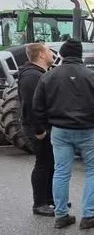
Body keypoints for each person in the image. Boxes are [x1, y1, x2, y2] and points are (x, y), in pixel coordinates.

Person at [32, 39, 94, 229]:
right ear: (80, 55)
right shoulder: (93, 76)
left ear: (62, 55)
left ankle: (61, 215)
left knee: (61, 172)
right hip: (88, 130)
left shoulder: (48, 76)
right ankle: (88, 215)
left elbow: (37, 106)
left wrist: (40, 129)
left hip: (60, 131)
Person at [18, 43, 56, 216]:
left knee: (50, 163)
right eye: (49, 51)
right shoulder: (32, 77)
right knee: (43, 163)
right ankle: (39, 203)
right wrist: (39, 129)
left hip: (43, 126)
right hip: (38, 129)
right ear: (41, 55)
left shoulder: (39, 74)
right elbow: (30, 106)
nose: (52, 53)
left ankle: (49, 199)